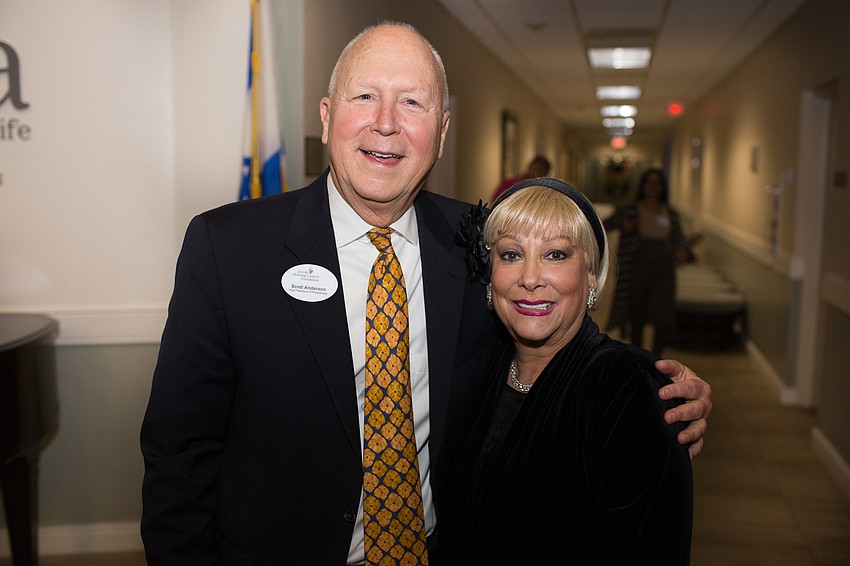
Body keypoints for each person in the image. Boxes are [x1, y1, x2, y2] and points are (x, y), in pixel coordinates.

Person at [140, 22, 710, 565]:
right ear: (327, 114)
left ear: (440, 132)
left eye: (412, 102)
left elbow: (546, 338)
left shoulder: (482, 244)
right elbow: (179, 453)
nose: (385, 123)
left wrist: (646, 390)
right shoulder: (228, 248)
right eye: (364, 96)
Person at [440, 177, 693, 564]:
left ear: (591, 275)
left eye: (555, 255)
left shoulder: (625, 390)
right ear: (489, 276)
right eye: (511, 255)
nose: (530, 277)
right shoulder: (480, 368)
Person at [605, 168, 691, 355]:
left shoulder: (670, 213)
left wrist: (682, 251)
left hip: (664, 270)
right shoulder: (630, 210)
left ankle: (657, 358)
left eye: (657, 183)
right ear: (642, 186)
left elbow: (679, 239)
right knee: (637, 314)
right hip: (636, 268)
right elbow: (605, 225)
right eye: (649, 183)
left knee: (662, 315)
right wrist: (622, 225)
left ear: (662, 187)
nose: (652, 187)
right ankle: (639, 356)